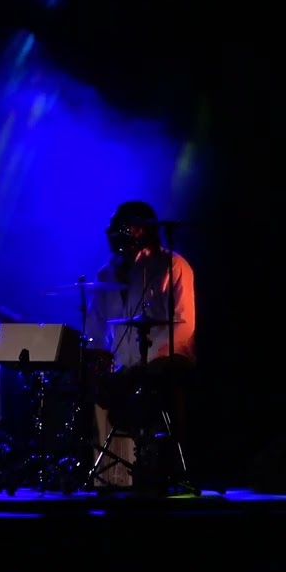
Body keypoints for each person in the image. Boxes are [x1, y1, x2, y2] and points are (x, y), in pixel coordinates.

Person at [84, 200, 197, 490]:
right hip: (123, 364)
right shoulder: (105, 275)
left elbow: (184, 325)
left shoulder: (171, 264)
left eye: (124, 226)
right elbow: (96, 326)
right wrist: (96, 360)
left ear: (143, 230)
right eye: (113, 227)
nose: (115, 233)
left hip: (165, 359)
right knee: (91, 385)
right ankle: (111, 475)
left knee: (154, 381)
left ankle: (167, 469)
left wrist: (144, 364)